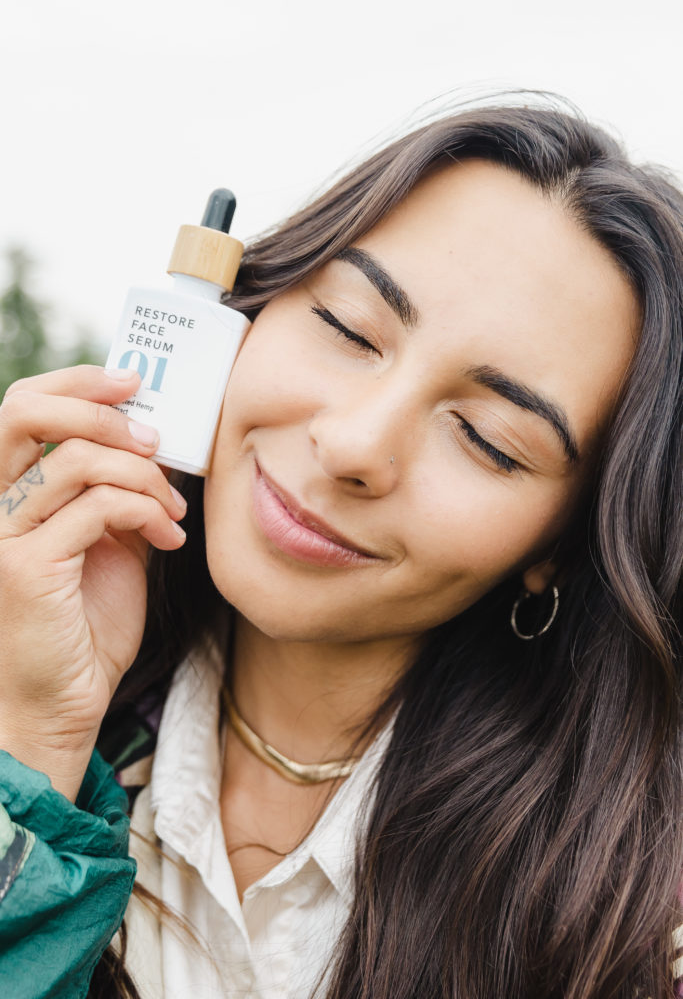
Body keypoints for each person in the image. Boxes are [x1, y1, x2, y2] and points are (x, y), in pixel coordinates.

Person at [0, 98, 681, 999]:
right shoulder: (31, 696)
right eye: (349, 330)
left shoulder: (633, 931)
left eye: (486, 438)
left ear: (557, 545)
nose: (356, 444)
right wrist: (32, 749)